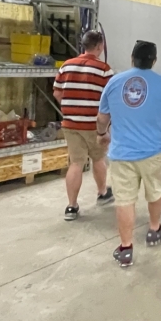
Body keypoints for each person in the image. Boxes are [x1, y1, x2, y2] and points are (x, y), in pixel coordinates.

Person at [96, 40, 161, 268]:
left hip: (121, 153)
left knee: (124, 200)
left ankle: (126, 248)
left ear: (132, 58)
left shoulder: (114, 82)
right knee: (155, 191)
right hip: (154, 152)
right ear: (154, 61)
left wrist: (102, 134)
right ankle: (154, 229)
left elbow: (102, 118)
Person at [53, 30, 115, 221]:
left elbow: (57, 93)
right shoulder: (104, 69)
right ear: (99, 46)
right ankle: (102, 192)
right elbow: (111, 99)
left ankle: (71, 207)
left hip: (70, 123)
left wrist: (71, 109)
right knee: (98, 159)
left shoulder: (66, 66)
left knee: (76, 163)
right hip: (93, 125)